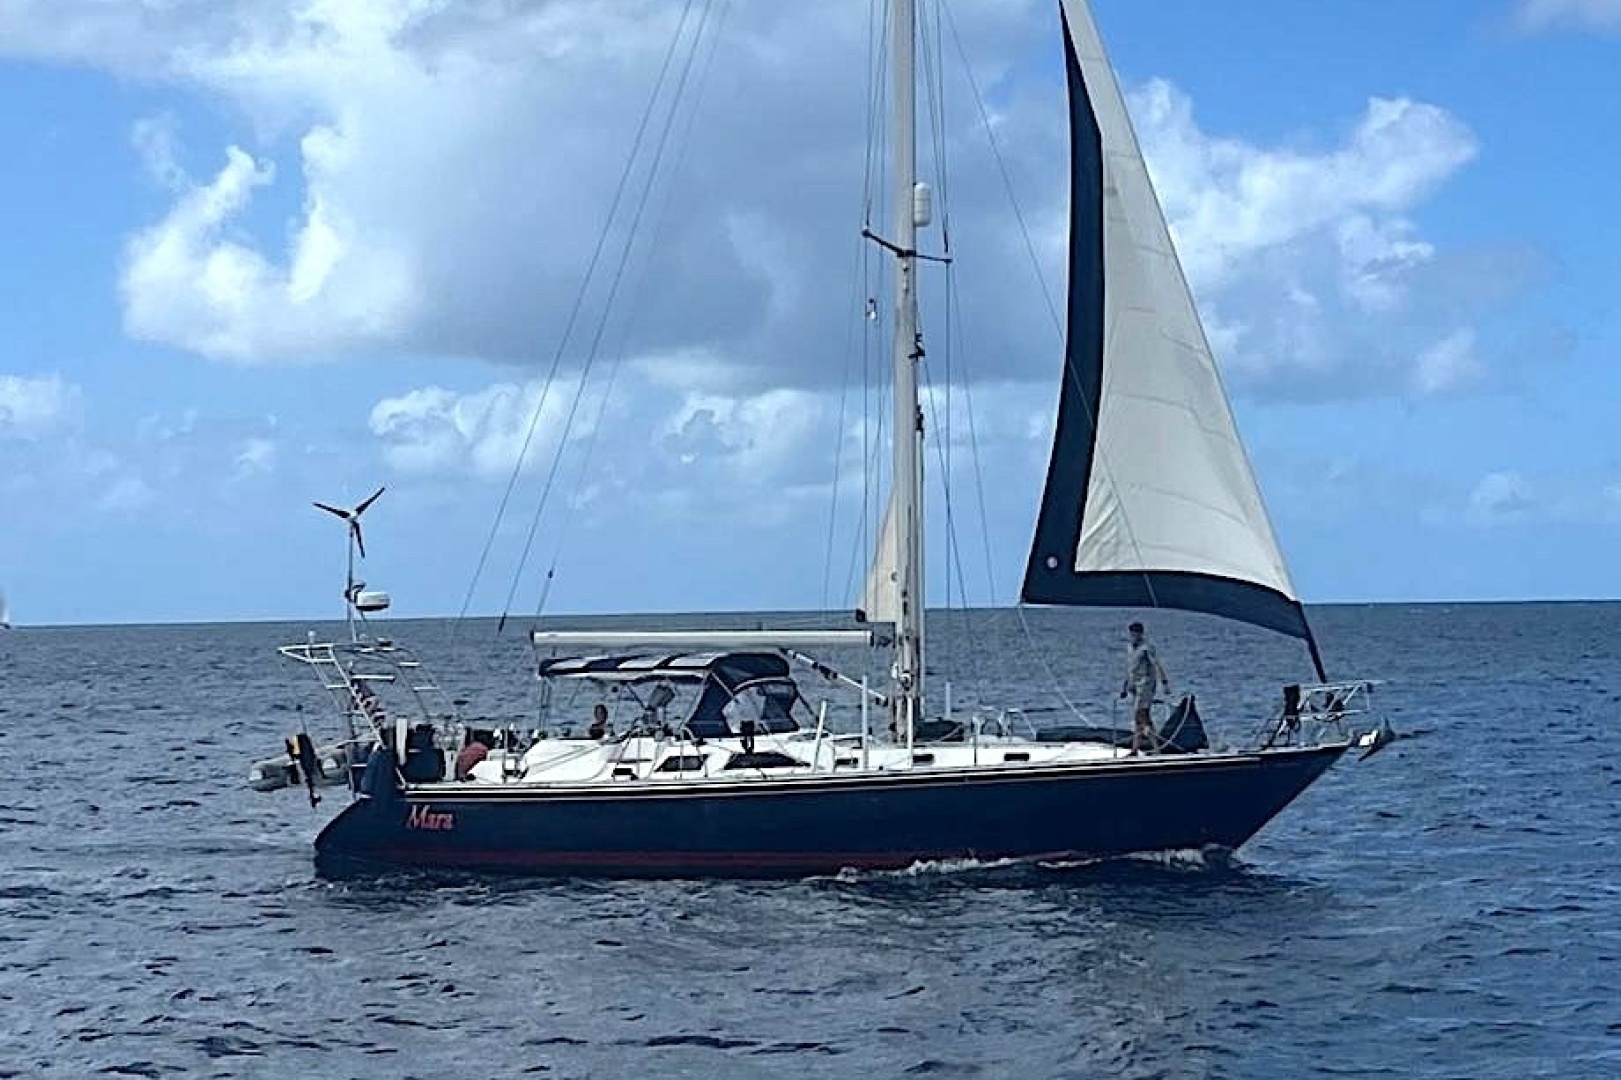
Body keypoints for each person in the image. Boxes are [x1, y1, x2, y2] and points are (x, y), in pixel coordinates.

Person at [1120, 621, 1170, 754]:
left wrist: (1164, 682)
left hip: (1146, 685)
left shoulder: (1146, 648)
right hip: (1134, 686)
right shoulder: (1130, 648)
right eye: (1131, 633)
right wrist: (1125, 687)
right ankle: (1145, 748)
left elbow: (1156, 664)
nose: (1133, 636)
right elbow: (1130, 668)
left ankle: (1146, 747)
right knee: (1142, 717)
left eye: (1135, 633)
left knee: (1140, 714)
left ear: (1140, 634)